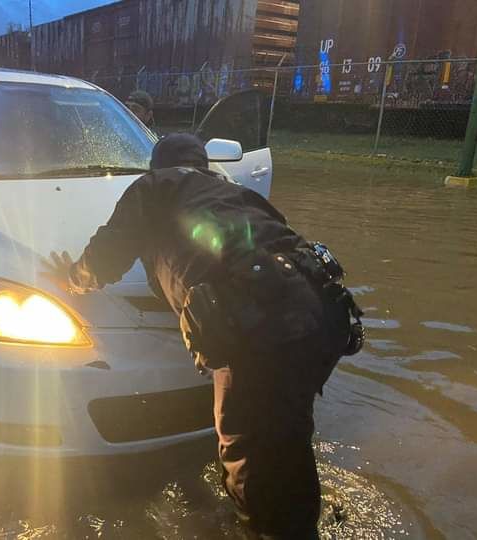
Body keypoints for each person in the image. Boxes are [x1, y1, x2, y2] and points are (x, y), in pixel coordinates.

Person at [44, 133, 364, 539]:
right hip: (324, 313)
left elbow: (107, 255)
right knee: (289, 433)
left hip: (258, 328)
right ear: (204, 164)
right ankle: (300, 526)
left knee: (243, 448)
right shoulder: (238, 192)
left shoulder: (154, 185)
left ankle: (256, 530)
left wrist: (71, 278)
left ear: (156, 166)